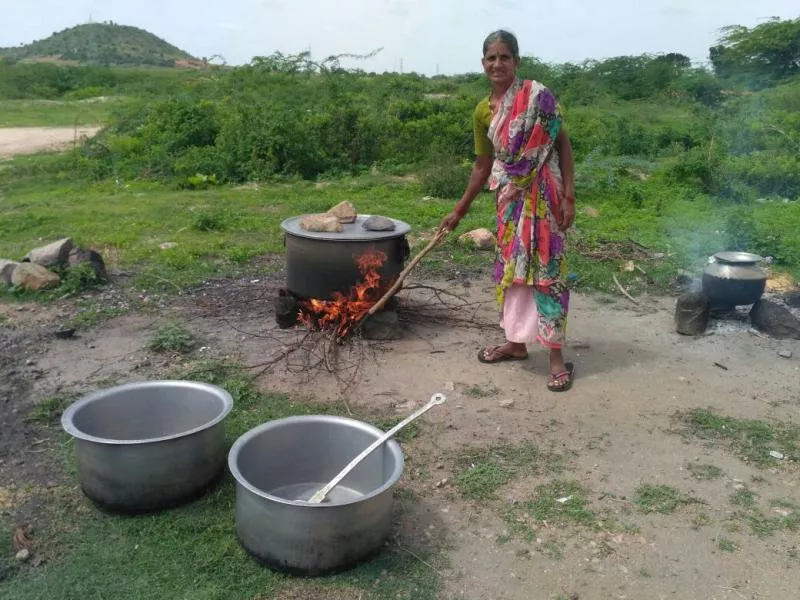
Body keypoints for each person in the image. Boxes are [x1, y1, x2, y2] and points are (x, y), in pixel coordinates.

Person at [439, 30, 577, 392]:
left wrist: (569, 197)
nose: (497, 64)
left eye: (504, 57)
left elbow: (562, 144)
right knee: (512, 274)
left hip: (546, 196)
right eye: (491, 58)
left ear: (516, 61)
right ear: (483, 63)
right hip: (510, 201)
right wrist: (459, 211)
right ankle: (516, 344)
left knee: (548, 275)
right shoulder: (483, 110)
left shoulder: (538, 96)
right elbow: (482, 166)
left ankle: (556, 357)